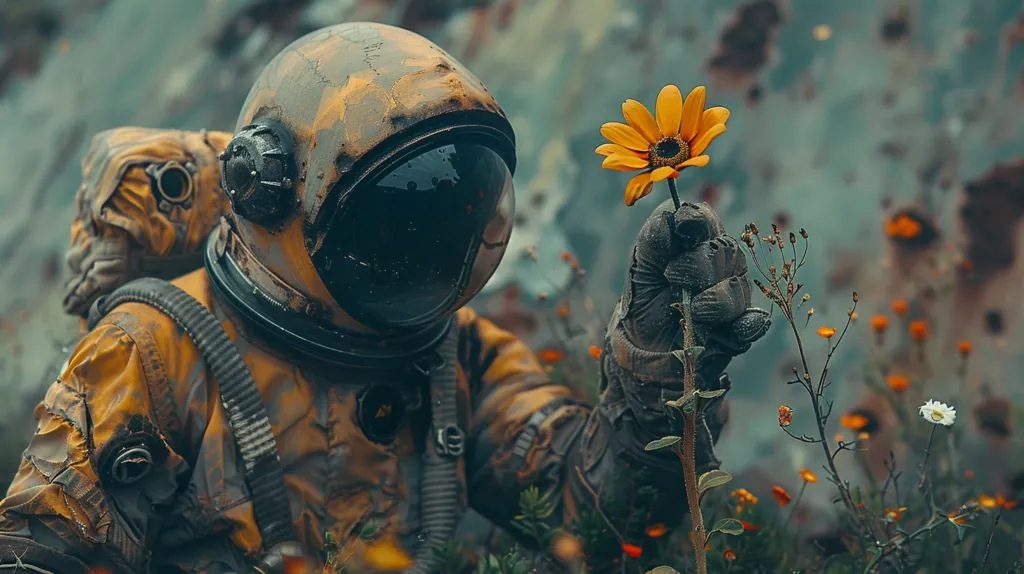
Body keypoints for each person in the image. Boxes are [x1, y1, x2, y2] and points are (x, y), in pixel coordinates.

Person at [0, 22, 769, 573]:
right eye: (397, 227)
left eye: (451, 220)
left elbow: (601, 523)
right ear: (273, 202)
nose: (428, 255)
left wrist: (665, 367)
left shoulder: (454, 353)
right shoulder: (152, 352)